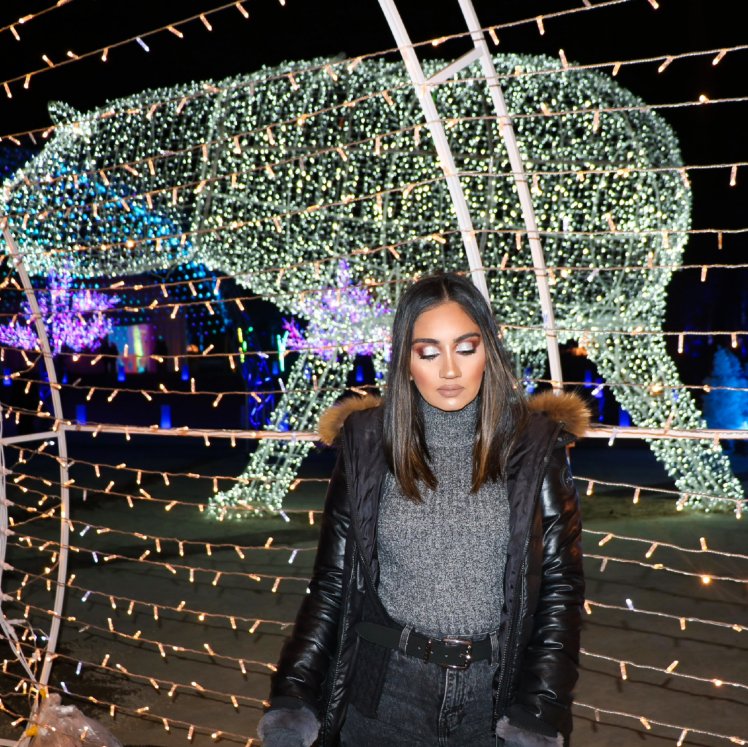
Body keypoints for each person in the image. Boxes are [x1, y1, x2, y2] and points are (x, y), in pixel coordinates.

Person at [258, 272, 588, 746]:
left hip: (493, 700)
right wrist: (293, 699)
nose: (449, 370)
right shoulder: (367, 443)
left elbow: (560, 590)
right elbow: (333, 581)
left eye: (466, 348)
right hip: (383, 694)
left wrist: (537, 713)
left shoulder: (534, 446)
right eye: (429, 353)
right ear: (406, 361)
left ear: (489, 352)